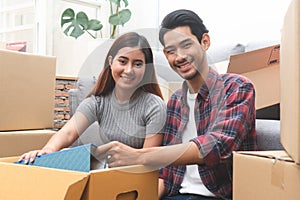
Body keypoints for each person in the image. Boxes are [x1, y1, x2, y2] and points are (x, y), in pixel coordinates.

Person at [95, 9, 257, 200]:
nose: (179, 57)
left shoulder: (236, 87)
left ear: (205, 42)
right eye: (171, 51)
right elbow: (167, 175)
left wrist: (139, 156)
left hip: (218, 196)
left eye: (186, 45)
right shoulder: (175, 102)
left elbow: (217, 145)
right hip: (175, 195)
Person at [18, 32, 167, 167]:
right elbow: (68, 133)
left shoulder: (154, 106)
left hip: (136, 179)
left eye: (138, 64)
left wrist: (108, 154)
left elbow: (148, 159)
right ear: (111, 61)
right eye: (122, 61)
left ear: (146, 67)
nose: (128, 70)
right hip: (105, 173)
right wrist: (47, 151)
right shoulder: (98, 102)